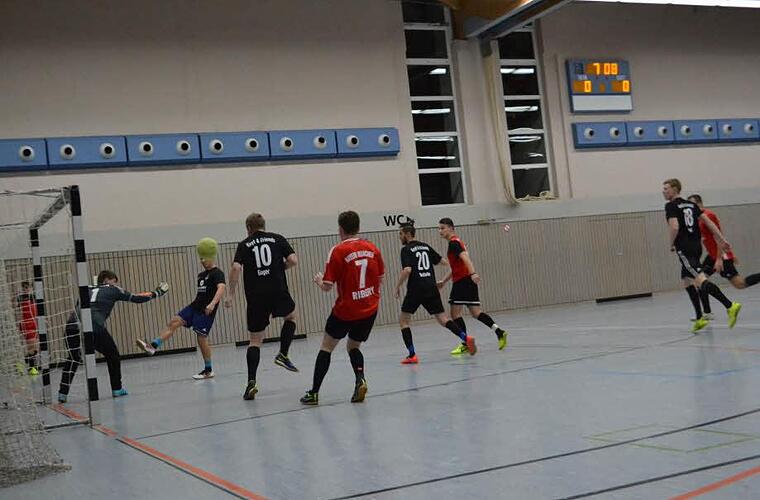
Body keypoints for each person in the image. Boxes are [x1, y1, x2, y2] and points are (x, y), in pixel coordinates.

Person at [301, 210, 384, 406]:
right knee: (353, 346)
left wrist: (319, 280)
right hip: (370, 308)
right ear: (358, 227)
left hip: (346, 310)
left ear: (340, 229)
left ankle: (314, 392)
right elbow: (380, 277)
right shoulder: (372, 248)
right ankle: (360, 379)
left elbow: (327, 286)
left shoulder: (338, 251)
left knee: (327, 347)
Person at [58, 270, 168, 402]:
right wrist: (157, 293)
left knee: (73, 358)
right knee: (113, 355)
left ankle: (62, 393)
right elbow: (136, 298)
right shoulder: (113, 289)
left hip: (72, 325)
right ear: (106, 280)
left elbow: (80, 306)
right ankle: (117, 389)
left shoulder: (86, 289)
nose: (115, 284)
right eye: (114, 281)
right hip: (94, 326)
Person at [225, 213, 299, 401]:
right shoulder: (277, 238)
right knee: (291, 316)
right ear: (264, 226)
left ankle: (251, 383)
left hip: (256, 296)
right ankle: (283, 354)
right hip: (277, 290)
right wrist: (280, 268)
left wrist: (230, 295)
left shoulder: (244, 244)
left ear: (248, 229)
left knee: (255, 340)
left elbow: (235, 268)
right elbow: (293, 260)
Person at [136, 238, 226, 380]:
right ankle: (153, 346)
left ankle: (208, 370)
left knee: (201, 338)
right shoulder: (201, 275)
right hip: (194, 306)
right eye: (200, 259)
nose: (202, 261)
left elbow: (221, 288)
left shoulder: (218, 273)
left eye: (205, 258)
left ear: (211, 257)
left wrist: (213, 304)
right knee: (174, 322)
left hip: (206, 310)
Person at [661, 179, 741, 333]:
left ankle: (730, 306)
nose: (663, 191)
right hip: (696, 246)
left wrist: (671, 243)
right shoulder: (691, 205)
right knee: (687, 280)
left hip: (684, 248)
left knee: (700, 280)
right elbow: (709, 223)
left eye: (666, 188)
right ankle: (699, 318)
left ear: (675, 189)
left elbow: (674, 226)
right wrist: (722, 240)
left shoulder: (670, 206)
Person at [394, 222, 475, 364]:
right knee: (443, 319)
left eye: (401, 234)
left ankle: (412, 355)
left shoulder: (406, 249)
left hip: (416, 289)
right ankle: (465, 338)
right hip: (431, 287)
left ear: (407, 234)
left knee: (403, 321)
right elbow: (443, 261)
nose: (399, 237)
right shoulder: (425, 246)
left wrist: (398, 286)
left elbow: (407, 270)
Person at [437, 218, 507, 355]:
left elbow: (466, 259)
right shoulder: (458, 242)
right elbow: (456, 266)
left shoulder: (454, 243)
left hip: (462, 281)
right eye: (439, 228)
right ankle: (499, 332)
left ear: (451, 228)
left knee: (455, 314)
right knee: (476, 313)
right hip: (466, 280)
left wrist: (473, 273)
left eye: (442, 228)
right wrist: (444, 281)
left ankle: (465, 343)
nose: (440, 231)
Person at [686, 194, 760, 319]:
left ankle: (711, 312)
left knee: (739, 284)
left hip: (720, 256)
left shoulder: (708, 215)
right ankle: (707, 313)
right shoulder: (698, 219)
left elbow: (719, 236)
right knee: (700, 280)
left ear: (699, 204)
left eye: (692, 205)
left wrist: (720, 259)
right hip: (712, 256)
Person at [15, 281, 39, 375]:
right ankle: (22, 365)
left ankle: (31, 368)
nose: (26, 289)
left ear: (30, 288)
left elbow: (36, 310)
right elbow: (16, 308)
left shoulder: (33, 297)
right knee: (31, 348)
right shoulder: (20, 298)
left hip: (34, 324)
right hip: (27, 325)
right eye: (24, 287)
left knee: (35, 349)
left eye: (27, 287)